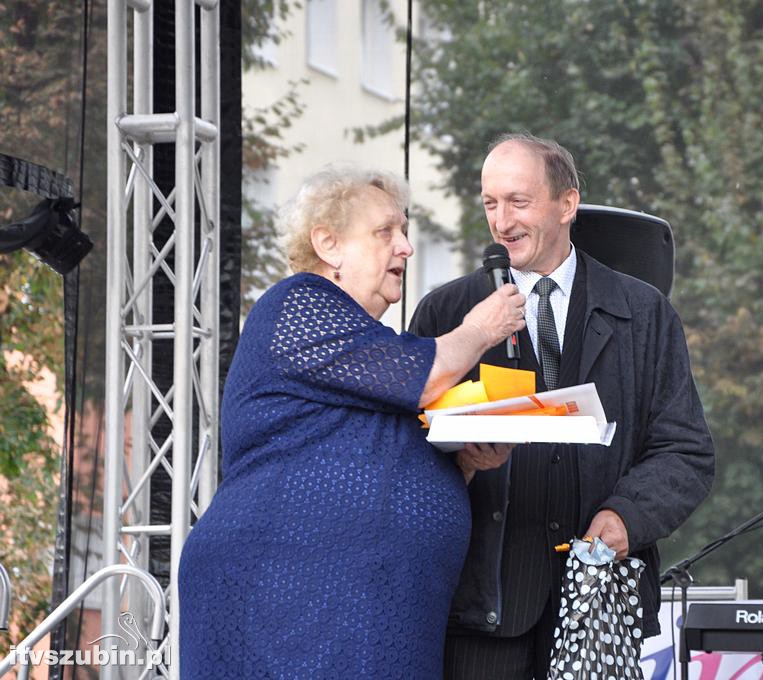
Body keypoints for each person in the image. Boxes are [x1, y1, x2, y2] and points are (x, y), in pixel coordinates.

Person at [178, 167, 526, 679]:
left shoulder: (367, 348)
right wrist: (481, 327)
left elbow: (389, 459)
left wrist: (468, 465)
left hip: (370, 611)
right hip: (290, 604)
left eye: (404, 232)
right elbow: (427, 375)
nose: (405, 247)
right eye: (385, 231)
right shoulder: (298, 302)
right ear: (329, 244)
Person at [409, 133, 716, 679]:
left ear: (567, 204)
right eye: (490, 203)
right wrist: (462, 463)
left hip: (600, 608)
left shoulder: (644, 314)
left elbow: (685, 451)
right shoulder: (449, 313)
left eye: (518, 202)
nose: (501, 222)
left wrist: (627, 515)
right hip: (481, 610)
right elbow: (407, 456)